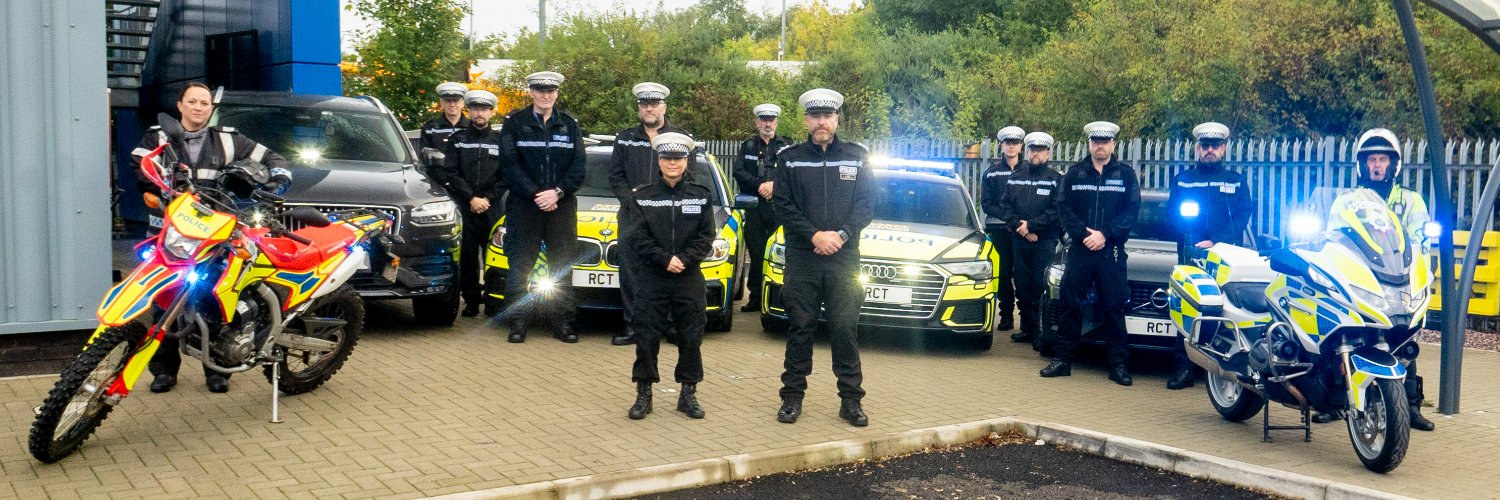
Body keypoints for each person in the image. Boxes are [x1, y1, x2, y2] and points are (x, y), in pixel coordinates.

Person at [131, 81, 290, 394]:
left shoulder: (229, 139)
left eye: (205, 103)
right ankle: (163, 371)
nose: (199, 108)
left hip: (214, 237)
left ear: (210, 109)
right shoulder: (157, 135)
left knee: (215, 301)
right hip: (170, 234)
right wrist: (158, 189)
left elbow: (274, 158)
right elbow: (140, 165)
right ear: (180, 105)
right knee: (164, 302)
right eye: (193, 102)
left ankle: (218, 371)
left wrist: (278, 181)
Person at [1311, 128, 1436, 431]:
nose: (1377, 165)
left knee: (1402, 338)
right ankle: (1335, 399)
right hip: (1362, 278)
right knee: (1344, 333)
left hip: (1399, 279)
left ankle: (1411, 405)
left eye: (1382, 159)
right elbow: (1332, 238)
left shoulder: (1411, 201)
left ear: (1394, 164)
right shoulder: (1346, 200)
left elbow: (1421, 241)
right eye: (1371, 160)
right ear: (1362, 165)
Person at [772, 88, 875, 427]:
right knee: (800, 328)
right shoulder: (789, 158)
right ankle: (791, 398)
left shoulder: (858, 156)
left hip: (843, 258)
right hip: (804, 257)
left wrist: (841, 235)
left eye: (827, 116)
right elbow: (783, 205)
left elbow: (866, 205)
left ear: (836, 119)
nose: (821, 122)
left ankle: (851, 402)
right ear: (805, 120)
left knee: (845, 329)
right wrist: (814, 235)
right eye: (815, 116)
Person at [622, 132, 716, 420]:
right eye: (666, 158)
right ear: (659, 161)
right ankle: (644, 394)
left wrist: (683, 259)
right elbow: (637, 237)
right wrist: (665, 259)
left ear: (686, 160)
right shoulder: (642, 197)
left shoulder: (701, 196)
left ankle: (688, 394)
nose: (672, 163)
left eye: (677, 158)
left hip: (688, 277)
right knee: (646, 337)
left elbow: (706, 237)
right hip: (653, 276)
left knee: (691, 338)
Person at [1040, 121, 1141, 386]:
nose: (1100, 146)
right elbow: (1064, 208)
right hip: (1081, 251)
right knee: (1070, 304)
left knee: (1113, 307)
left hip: (1111, 251)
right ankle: (1063, 360)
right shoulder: (1074, 174)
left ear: (1113, 145)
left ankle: (1118, 365)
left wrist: (1105, 234)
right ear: (1089, 144)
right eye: (1095, 141)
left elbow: (1131, 211)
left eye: (1105, 142)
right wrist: (1085, 236)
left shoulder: (1126, 175)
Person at [497, 71, 587, 344]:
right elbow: (509, 164)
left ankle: (562, 322)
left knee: (561, 265)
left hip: (561, 206)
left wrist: (557, 193)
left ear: (557, 93)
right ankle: (518, 322)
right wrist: (537, 194)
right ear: (531, 92)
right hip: (525, 206)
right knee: (520, 266)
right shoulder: (514, 123)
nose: (545, 95)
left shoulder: (569, 125)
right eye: (540, 90)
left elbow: (579, 167)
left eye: (550, 91)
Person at [1164, 122, 1253, 390]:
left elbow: (1243, 214)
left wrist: (1217, 241)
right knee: (1187, 308)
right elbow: (1171, 213)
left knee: (1226, 310)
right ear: (1197, 148)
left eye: (1215, 146)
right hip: (1192, 254)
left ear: (1224, 148)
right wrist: (1192, 238)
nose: (1210, 150)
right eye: (1205, 146)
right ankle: (1183, 368)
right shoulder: (1184, 179)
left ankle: (1223, 368)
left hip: (1226, 258)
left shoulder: (1236, 181)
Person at [608, 82, 692, 346]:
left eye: (654, 104)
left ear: (664, 107)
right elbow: (616, 176)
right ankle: (634, 325)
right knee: (632, 271)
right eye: (644, 104)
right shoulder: (625, 138)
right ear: (639, 108)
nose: (649, 108)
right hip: (633, 215)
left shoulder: (680, 137)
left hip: (669, 216)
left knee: (668, 269)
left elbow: (688, 175)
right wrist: (631, 200)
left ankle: (669, 325)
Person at [432, 89, 507, 318]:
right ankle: (472, 302)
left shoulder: (501, 141)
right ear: (470, 111)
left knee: (495, 254)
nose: (479, 113)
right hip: (466, 205)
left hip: (492, 207)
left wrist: (487, 199)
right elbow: (451, 172)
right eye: (475, 109)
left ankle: (493, 302)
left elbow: (506, 175)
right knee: (467, 257)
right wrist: (471, 198)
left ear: (492, 112)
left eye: (484, 109)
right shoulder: (458, 139)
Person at [997, 132, 1062, 345]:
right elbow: (1005, 207)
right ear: (1027, 151)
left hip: (1044, 241)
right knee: (1023, 285)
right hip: (1020, 238)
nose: (1036, 154)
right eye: (1032, 150)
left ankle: (1039, 332)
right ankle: (1025, 328)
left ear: (1048, 153)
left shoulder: (1055, 179)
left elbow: (1056, 211)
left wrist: (1032, 226)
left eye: (1040, 150)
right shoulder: (1016, 177)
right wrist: (1021, 228)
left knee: (1039, 286)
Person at [733, 103, 795, 313]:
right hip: (755, 208)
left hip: (780, 209)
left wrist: (774, 186)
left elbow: (793, 174)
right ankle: (756, 298)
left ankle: (782, 297)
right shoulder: (748, 146)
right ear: (757, 122)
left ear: (776, 122)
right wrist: (759, 185)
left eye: (771, 119)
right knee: (758, 253)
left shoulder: (787, 146)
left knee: (781, 252)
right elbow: (738, 172)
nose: (768, 123)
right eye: (764, 120)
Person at [981, 126, 1025, 332]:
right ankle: (1006, 315)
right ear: (1002, 145)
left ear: (1020, 146)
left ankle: (1026, 320)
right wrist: (1010, 219)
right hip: (1000, 230)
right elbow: (987, 204)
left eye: (1015, 143)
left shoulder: (1028, 171)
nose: (1011, 146)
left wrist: (1018, 222)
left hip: (1024, 231)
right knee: (1004, 274)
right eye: (1008, 143)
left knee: (1024, 276)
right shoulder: (992, 173)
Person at [418, 82, 472, 153]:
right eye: (448, 101)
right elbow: (425, 156)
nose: (452, 105)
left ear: (462, 104)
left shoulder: (472, 127)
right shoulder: (430, 128)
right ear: (442, 103)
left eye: (456, 101)